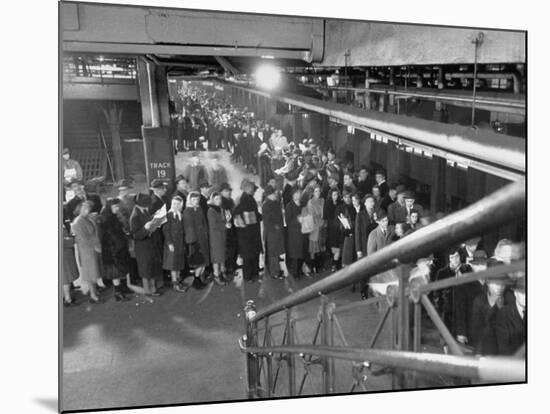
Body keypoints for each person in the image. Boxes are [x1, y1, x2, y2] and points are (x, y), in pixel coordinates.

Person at [434, 246, 479, 347]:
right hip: (448, 312)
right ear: (448, 259)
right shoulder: (442, 273)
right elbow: (437, 295)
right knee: (447, 341)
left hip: (464, 311)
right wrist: (441, 310)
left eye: (457, 256)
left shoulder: (467, 269)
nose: (455, 260)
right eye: (452, 257)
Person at [470, 259, 510, 355]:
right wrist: (478, 352)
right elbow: (476, 331)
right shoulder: (479, 301)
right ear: (487, 282)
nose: (499, 287)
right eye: (496, 283)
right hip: (486, 352)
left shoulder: (512, 299)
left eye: (502, 283)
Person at [129, 193, 164, 296]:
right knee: (146, 269)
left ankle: (153, 288)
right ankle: (148, 290)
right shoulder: (134, 216)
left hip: (151, 244)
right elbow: (135, 235)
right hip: (143, 247)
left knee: (152, 267)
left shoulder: (144, 211)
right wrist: (145, 228)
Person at [98, 198, 132, 302]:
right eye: (115, 207)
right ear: (109, 207)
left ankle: (124, 288)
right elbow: (111, 235)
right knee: (115, 272)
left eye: (118, 206)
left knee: (122, 269)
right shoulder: (105, 219)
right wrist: (123, 239)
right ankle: (118, 293)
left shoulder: (114, 216)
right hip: (112, 250)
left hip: (119, 248)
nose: (117, 208)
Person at [71, 200, 103, 304]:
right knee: (90, 273)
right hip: (87, 251)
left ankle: (95, 291)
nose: (87, 210)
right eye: (85, 208)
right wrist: (95, 247)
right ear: (79, 209)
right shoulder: (78, 222)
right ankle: (93, 295)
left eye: (88, 208)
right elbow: (83, 239)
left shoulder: (87, 218)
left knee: (94, 271)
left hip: (93, 248)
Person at [233, 180, 263, 282]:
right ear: (248, 189)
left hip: (249, 233)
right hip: (247, 234)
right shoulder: (245, 200)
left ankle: (254, 273)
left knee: (252, 254)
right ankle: (248, 275)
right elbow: (250, 217)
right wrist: (260, 217)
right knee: (248, 255)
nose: (254, 191)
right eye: (253, 189)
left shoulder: (247, 199)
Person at [183, 191, 211, 285]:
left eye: (197, 199)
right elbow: (189, 227)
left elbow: (204, 222)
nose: (196, 201)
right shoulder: (187, 211)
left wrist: (206, 234)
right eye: (194, 199)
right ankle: (196, 279)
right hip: (195, 241)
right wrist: (193, 241)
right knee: (198, 261)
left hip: (202, 238)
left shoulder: (199, 209)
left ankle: (199, 279)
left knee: (203, 260)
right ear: (190, 200)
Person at [162, 196, 188, 292]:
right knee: (173, 264)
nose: (175, 206)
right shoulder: (168, 215)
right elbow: (166, 230)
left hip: (179, 243)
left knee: (178, 263)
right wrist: (169, 243)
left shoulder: (179, 215)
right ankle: (175, 283)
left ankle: (178, 280)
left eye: (178, 204)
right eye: (174, 204)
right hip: (172, 243)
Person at [496, 276, 526, 355]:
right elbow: (503, 346)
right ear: (515, 293)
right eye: (522, 293)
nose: (526, 297)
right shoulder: (503, 314)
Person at [261, 185, 286, 279]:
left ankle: (276, 270)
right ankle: (274, 272)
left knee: (276, 253)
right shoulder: (266, 205)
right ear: (269, 194)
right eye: (274, 193)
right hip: (272, 233)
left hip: (276, 232)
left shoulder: (274, 202)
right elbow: (268, 222)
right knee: (273, 253)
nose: (276, 194)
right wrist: (276, 227)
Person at [285, 187, 307, 278]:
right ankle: (295, 272)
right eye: (296, 193)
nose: (298, 195)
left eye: (300, 193)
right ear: (293, 195)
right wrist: (297, 220)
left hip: (303, 232)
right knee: (295, 253)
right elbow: (288, 221)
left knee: (302, 252)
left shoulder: (303, 204)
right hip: (294, 234)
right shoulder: (289, 206)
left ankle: (300, 270)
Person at [207, 192, 228, 285]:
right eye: (216, 199)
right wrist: (225, 225)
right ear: (212, 200)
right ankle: (216, 275)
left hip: (222, 235)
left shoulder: (221, 209)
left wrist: (228, 221)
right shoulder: (211, 210)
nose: (218, 201)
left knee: (221, 255)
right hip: (215, 236)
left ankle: (221, 273)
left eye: (219, 199)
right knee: (216, 257)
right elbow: (213, 225)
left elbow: (223, 220)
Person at [306, 185, 325, 273]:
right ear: (313, 193)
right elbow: (312, 215)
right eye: (316, 191)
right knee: (314, 248)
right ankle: (313, 266)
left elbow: (323, 214)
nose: (318, 193)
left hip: (321, 226)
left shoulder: (322, 200)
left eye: (319, 191)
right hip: (314, 227)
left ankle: (319, 265)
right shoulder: (310, 202)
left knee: (320, 247)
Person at [220, 183, 238, 277]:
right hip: (226, 229)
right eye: (226, 191)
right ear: (221, 192)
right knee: (228, 250)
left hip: (233, 227)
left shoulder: (230, 201)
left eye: (229, 191)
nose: (229, 192)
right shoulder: (221, 202)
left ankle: (233, 266)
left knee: (233, 248)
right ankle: (228, 268)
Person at [324, 188, 343, 272]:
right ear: (331, 195)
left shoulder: (340, 203)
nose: (336, 196)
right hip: (332, 228)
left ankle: (336, 263)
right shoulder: (328, 204)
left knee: (339, 245)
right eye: (334, 195)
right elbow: (326, 216)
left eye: (337, 194)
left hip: (339, 227)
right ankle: (334, 263)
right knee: (334, 246)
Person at [62, 215, 79, 307]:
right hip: (63, 255)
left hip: (66, 254)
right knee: (66, 278)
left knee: (66, 278)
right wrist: (73, 239)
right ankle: (68, 299)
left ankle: (66, 297)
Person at [338, 190, 357, 268]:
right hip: (345, 233)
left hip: (353, 232)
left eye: (349, 197)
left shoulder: (354, 207)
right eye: (345, 197)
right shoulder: (341, 207)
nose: (348, 199)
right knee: (346, 252)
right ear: (343, 198)